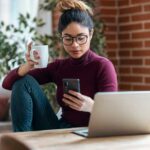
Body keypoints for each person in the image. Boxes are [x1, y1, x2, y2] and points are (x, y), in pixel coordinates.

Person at [2, 0, 118, 132]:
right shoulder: (59, 66)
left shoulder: (102, 66)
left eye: (81, 38)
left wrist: (92, 106)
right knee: (22, 81)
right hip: (60, 129)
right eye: (68, 39)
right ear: (61, 37)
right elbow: (7, 83)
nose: (75, 45)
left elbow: (112, 113)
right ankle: (22, 141)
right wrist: (28, 65)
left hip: (91, 131)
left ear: (90, 34)